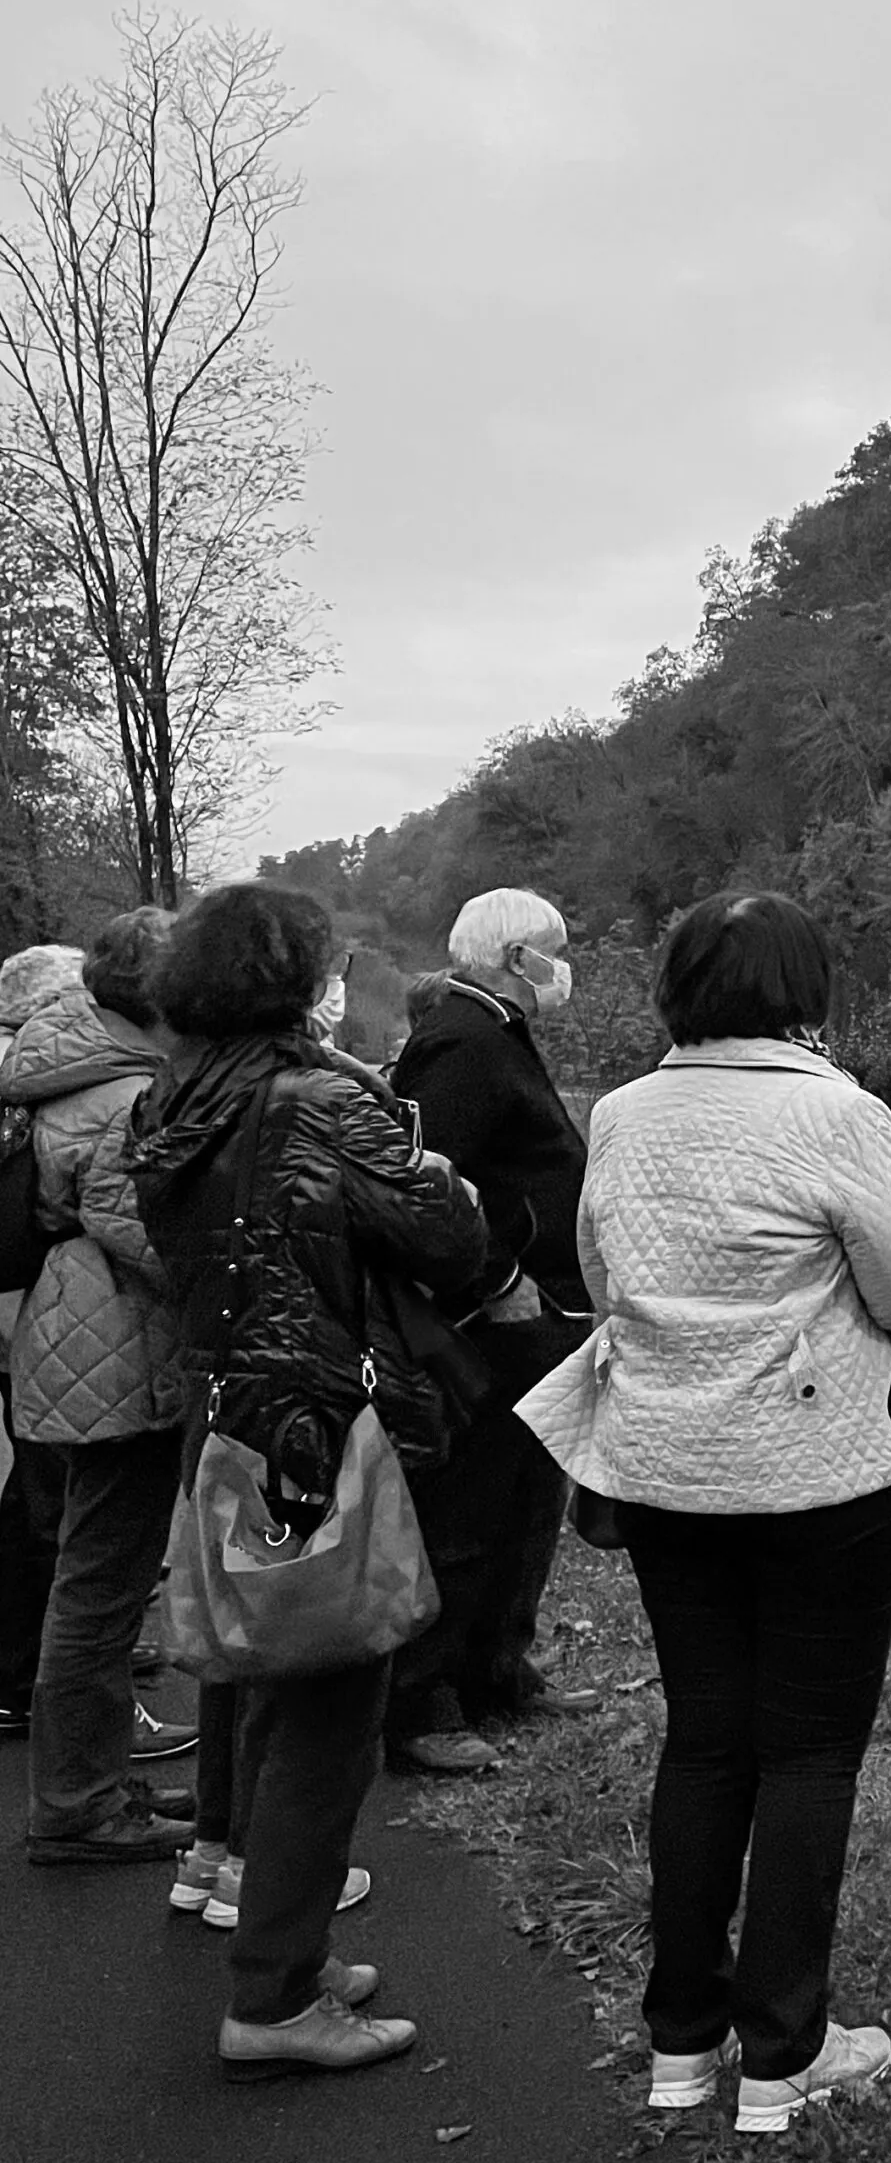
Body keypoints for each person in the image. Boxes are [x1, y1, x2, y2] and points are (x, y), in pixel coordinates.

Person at [517, 892, 891, 2132]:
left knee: (705, 1737)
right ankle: (782, 2052)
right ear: (804, 989)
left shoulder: (623, 1112)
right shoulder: (835, 1110)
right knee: (808, 1749)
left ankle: (680, 2042)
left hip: (666, 1465)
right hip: (821, 1470)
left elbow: (601, 1270)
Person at [130, 884, 488, 2076]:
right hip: (318, 1421)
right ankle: (275, 1996)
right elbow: (448, 1237)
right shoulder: (326, 1099)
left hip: (223, 1408)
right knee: (334, 1706)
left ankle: (283, 1947)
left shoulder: (171, 1100)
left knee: (278, 1685)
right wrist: (440, 1174)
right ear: (296, 980)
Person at [383, 893, 598, 1774]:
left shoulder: (492, 1030)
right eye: (555, 952)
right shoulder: (461, 1044)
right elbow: (423, 1183)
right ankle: (423, 1696)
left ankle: (498, 1668)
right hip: (493, 1316)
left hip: (536, 1310)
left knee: (525, 1496)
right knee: (469, 1503)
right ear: (515, 955)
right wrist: (495, 1280)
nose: (564, 968)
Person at [6, 911, 196, 1863]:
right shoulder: (124, 1094)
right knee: (102, 1582)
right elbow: (142, 1231)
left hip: (79, 1327)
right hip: (115, 1338)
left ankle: (93, 1780)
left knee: (98, 1570)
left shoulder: (76, 1066)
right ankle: (77, 1801)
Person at [0, 943, 89, 1742]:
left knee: (34, 1496)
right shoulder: (27, 1091)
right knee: (49, 1505)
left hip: (20, 1303)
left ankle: (21, 1666)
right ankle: (37, 1680)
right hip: (22, 1303)